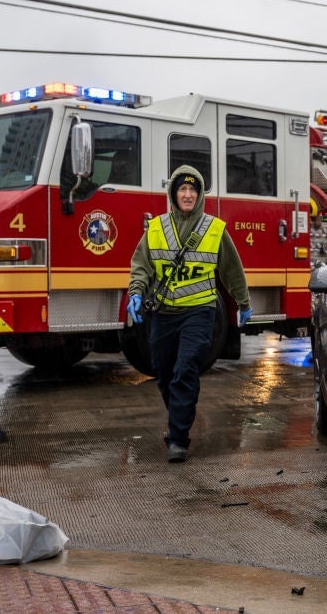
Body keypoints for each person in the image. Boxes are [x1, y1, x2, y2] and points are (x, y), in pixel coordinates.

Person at [126, 165, 252, 463]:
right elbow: (141, 265)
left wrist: (243, 303)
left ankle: (178, 438)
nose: (187, 194)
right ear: (173, 194)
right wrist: (135, 292)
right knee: (163, 371)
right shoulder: (155, 228)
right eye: (182, 189)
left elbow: (233, 270)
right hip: (164, 313)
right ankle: (180, 416)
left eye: (193, 190)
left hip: (200, 312)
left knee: (185, 370)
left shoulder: (214, 228)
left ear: (199, 195)